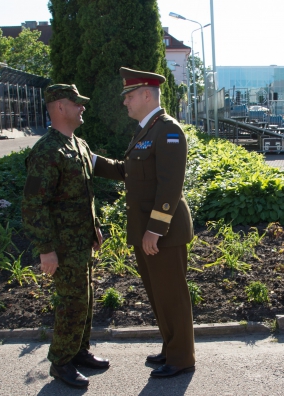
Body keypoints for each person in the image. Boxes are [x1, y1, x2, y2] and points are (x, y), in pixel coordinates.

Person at [93, 68, 196, 379]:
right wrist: (93, 161)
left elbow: (170, 185)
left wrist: (155, 228)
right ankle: (171, 346)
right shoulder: (145, 130)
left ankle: (181, 358)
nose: (125, 101)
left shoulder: (167, 130)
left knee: (172, 294)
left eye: (130, 95)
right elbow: (130, 171)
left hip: (162, 232)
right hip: (147, 231)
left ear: (147, 95)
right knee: (158, 293)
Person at [21, 84, 109, 389]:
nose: (82, 107)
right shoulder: (47, 151)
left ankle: (79, 351)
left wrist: (94, 225)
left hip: (81, 240)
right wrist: (46, 249)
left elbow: (86, 193)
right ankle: (61, 362)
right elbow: (33, 206)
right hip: (62, 245)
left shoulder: (78, 145)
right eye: (77, 103)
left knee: (84, 298)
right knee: (71, 302)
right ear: (60, 107)